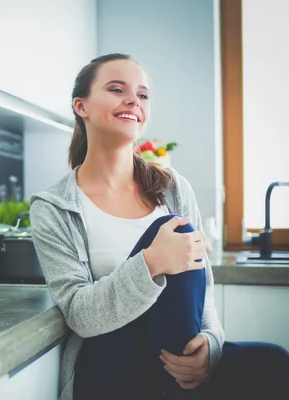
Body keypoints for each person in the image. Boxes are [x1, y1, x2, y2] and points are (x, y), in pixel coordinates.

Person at [29, 53, 289, 400]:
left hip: (169, 359)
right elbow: (79, 314)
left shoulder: (172, 188)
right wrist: (152, 262)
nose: (133, 101)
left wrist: (209, 346)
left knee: (274, 362)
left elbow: (203, 290)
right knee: (173, 230)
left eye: (143, 95)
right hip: (107, 365)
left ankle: (187, 379)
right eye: (116, 89)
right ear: (82, 106)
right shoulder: (53, 206)